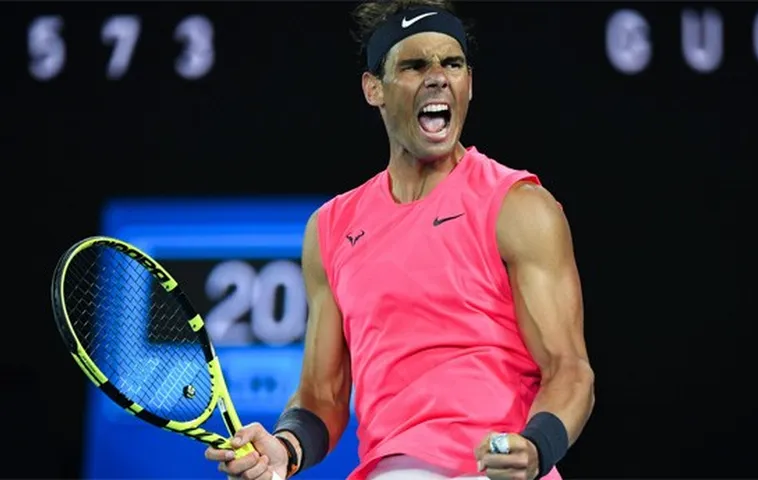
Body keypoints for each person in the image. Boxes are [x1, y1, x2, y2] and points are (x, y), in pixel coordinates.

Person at [204, 0, 595, 479]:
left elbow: (569, 370)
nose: (437, 77)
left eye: (452, 64)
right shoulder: (330, 229)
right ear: (374, 89)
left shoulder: (519, 208)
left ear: (468, 82)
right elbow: (322, 395)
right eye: (414, 65)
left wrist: (536, 448)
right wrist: (285, 448)